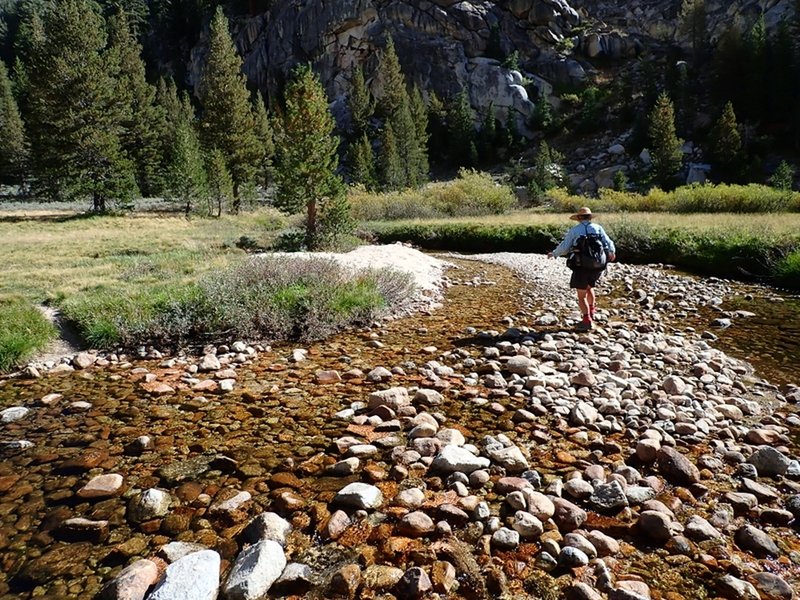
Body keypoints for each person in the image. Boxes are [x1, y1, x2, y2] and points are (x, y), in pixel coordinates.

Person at [547, 206, 616, 331]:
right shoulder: (598, 228)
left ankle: (586, 320)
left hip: (581, 266)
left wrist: (554, 253)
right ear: (590, 217)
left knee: (581, 294)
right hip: (598, 265)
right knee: (590, 287)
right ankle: (592, 311)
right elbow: (609, 242)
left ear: (578, 218)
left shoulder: (575, 230)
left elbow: (565, 246)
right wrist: (612, 252)